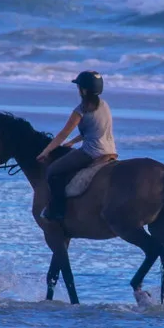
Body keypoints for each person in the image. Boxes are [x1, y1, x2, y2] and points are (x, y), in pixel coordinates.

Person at [37, 70, 117, 221]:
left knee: (53, 172)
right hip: (110, 150)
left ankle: (57, 210)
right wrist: (73, 142)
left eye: (79, 87)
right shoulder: (105, 105)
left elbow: (62, 134)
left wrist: (46, 151)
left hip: (91, 152)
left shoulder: (80, 110)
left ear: (84, 90)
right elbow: (93, 130)